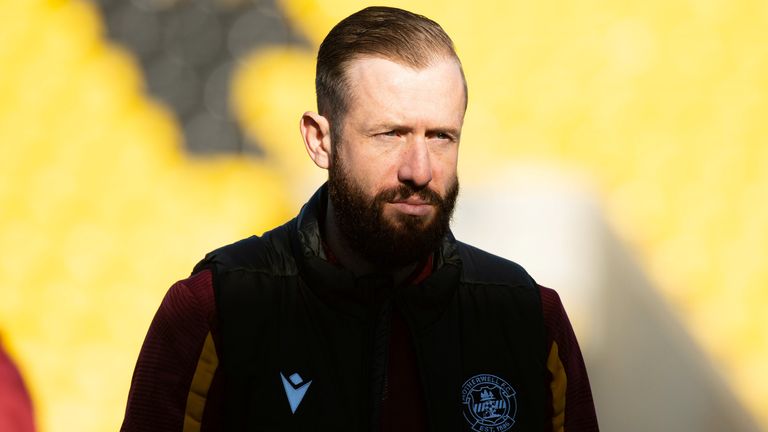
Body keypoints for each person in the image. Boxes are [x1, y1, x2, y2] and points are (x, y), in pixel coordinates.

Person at [122, 6, 598, 432]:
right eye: (390, 134)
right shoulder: (214, 310)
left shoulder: (529, 319)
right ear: (319, 140)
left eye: (441, 136)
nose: (419, 169)